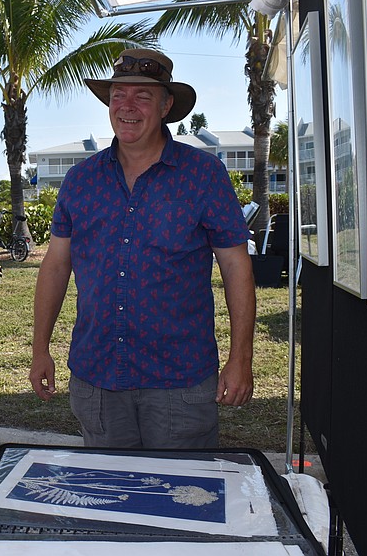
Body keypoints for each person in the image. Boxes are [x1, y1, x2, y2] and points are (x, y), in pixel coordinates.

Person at [30, 49, 255, 450]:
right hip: (97, 375)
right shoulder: (80, 180)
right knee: (109, 499)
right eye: (118, 95)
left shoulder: (204, 175)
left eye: (143, 96)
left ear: (167, 106)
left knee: (182, 501)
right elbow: (55, 265)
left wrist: (241, 359)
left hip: (179, 379)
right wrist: (40, 348)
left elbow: (237, 268)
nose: (127, 107)